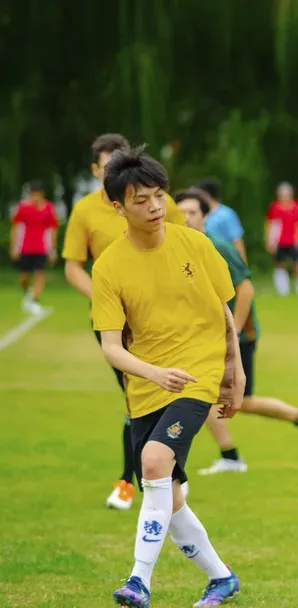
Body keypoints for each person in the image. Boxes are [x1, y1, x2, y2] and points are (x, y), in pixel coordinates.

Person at [90, 146, 245, 608]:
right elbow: (112, 347)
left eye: (159, 196)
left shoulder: (196, 245)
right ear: (118, 206)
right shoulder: (110, 267)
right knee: (167, 495)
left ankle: (139, 580)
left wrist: (234, 370)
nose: (155, 207)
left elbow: (223, 311)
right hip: (148, 385)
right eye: (141, 200)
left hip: (197, 375)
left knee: (154, 461)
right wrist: (154, 373)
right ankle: (222, 577)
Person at [62, 133, 188, 511]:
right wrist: (109, 303)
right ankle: (142, 481)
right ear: (96, 170)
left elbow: (187, 250)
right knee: (137, 400)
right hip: (116, 324)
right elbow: (73, 267)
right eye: (106, 166)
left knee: (169, 398)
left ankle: (159, 479)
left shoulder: (158, 203)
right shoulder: (85, 211)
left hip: (164, 320)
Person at [176, 189, 298, 474]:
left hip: (236, 336)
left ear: (205, 216)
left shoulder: (216, 246)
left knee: (233, 399)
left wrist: (232, 332)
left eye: (192, 212)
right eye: (180, 212)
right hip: (206, 336)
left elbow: (245, 289)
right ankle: (234, 455)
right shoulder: (185, 247)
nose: (186, 218)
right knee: (210, 394)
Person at [9, 181, 59, 316]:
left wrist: (53, 250)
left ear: (41, 194)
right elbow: (16, 228)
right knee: (24, 277)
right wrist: (14, 247)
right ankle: (29, 294)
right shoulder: (22, 208)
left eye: (36, 194)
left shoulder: (49, 208)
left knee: (39, 274)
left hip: (42, 248)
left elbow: (52, 230)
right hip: (25, 248)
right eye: (32, 194)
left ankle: (34, 300)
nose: (34, 197)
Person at [266, 182, 298, 297]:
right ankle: (283, 289)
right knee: (280, 264)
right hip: (279, 241)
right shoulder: (274, 207)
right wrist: (269, 240)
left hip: (293, 240)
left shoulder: (297, 207)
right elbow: (270, 224)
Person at [194, 178, 248, 265]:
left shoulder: (226, 214)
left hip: (225, 260)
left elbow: (237, 241)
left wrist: (242, 265)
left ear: (206, 194)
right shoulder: (198, 213)